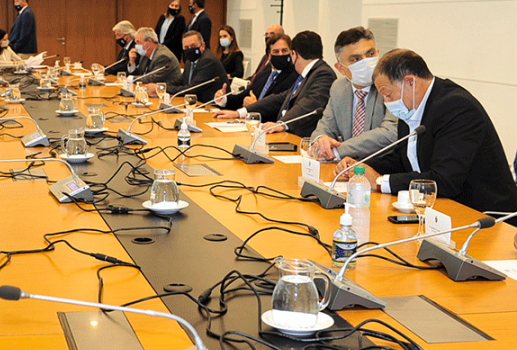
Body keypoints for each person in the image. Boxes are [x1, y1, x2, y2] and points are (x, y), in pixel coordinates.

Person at [336, 49, 517, 223]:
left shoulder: (457, 107)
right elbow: (402, 159)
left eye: (388, 94)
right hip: (442, 212)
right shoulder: (411, 106)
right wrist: (361, 166)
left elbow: (445, 181)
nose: (387, 102)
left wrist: (378, 181)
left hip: (487, 217)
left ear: (410, 82)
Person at [213, 30, 335, 137]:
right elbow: (279, 99)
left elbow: (309, 103)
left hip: (301, 139)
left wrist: (282, 124)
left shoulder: (323, 74)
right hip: (285, 134)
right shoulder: (307, 75)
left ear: (294, 54)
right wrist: (238, 113)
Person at [310, 27, 397, 161]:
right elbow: (324, 127)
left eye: (370, 54)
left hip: (381, 168)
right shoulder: (338, 88)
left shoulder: (392, 86)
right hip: (344, 169)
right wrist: (321, 140)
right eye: (356, 59)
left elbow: (390, 133)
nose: (366, 62)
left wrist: (339, 151)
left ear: (378, 54)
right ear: (341, 68)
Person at [213, 33, 298, 110]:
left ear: (291, 53)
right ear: (269, 55)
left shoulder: (295, 77)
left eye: (284, 51)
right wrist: (224, 99)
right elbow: (242, 97)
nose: (280, 54)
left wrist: (255, 105)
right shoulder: (263, 75)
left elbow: (282, 109)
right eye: (275, 51)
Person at [146, 31, 227, 103]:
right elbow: (179, 82)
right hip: (195, 103)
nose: (189, 49)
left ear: (203, 46)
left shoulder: (208, 61)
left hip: (211, 106)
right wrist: (160, 87)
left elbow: (192, 89)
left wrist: (161, 88)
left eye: (193, 46)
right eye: (186, 47)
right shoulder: (189, 61)